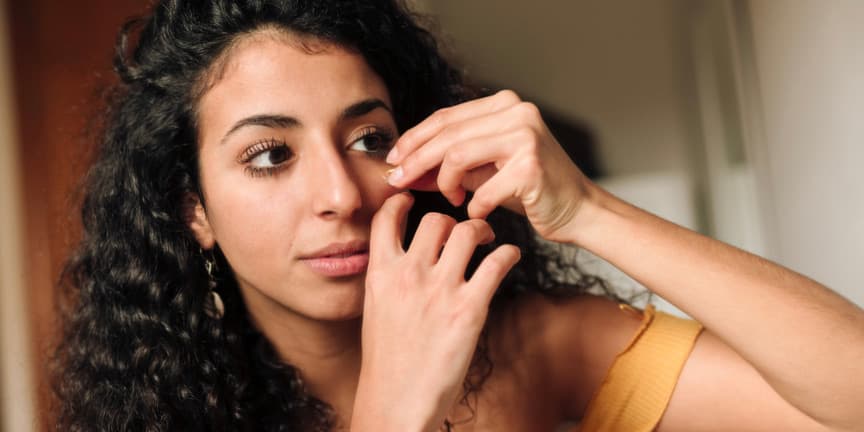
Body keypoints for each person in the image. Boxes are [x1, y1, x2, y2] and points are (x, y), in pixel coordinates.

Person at [52, 0, 864, 431]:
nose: (342, 193)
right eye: (271, 155)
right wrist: (395, 408)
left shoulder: (534, 350)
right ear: (194, 209)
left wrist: (588, 209)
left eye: (369, 138)